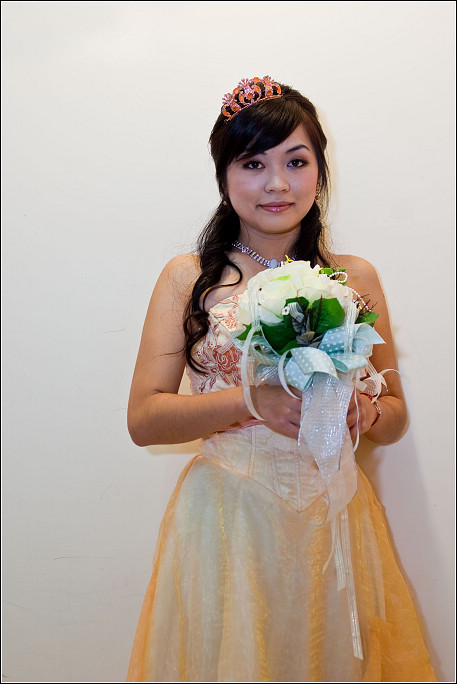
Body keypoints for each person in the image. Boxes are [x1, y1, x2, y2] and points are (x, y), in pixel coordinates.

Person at [126, 77, 436, 682]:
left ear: (320, 171)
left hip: (337, 517)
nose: (277, 184)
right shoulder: (188, 279)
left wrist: (367, 411)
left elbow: (394, 414)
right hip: (228, 519)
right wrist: (249, 400)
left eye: (296, 161)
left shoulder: (354, 278)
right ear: (224, 176)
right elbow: (144, 419)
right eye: (253, 163)